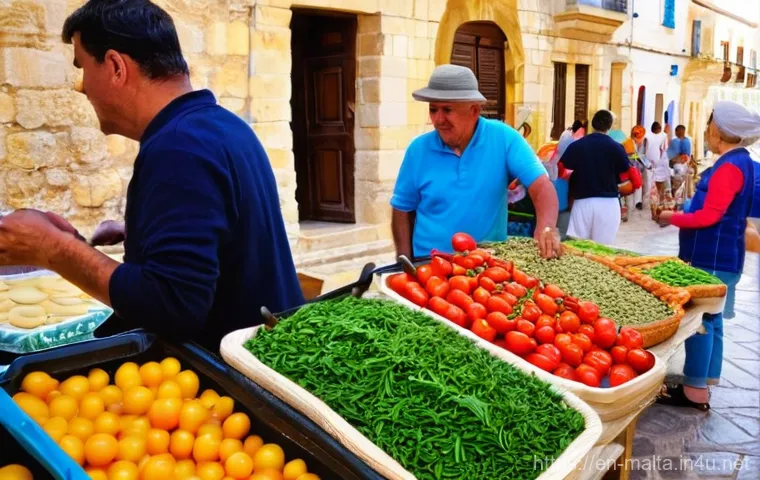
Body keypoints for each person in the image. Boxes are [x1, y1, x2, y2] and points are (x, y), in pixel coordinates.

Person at [0, 0, 303, 352]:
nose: (80, 88)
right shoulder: (221, 125)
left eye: (82, 67)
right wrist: (147, 234)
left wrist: (53, 250)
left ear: (115, 67)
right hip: (267, 353)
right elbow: (226, 236)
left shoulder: (179, 147)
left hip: (230, 385)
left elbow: (172, 307)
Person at [390, 64, 560, 260]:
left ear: (474, 110)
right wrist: (403, 262)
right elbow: (402, 208)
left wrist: (546, 226)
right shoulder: (417, 150)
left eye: (447, 110)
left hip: (487, 268)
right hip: (430, 268)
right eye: (433, 109)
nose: (438, 119)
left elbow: (541, 186)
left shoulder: (504, 138)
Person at [657, 100, 760, 410]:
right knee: (713, 321)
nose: (705, 131)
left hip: (712, 258)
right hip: (724, 256)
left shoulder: (730, 167)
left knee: (699, 323)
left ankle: (694, 390)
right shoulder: (742, 162)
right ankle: (703, 383)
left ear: (719, 131)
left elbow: (708, 217)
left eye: (709, 125)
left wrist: (669, 217)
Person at [560, 110, 630, 244]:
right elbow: (625, 171)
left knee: (579, 248)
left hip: (582, 202)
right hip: (608, 203)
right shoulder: (616, 147)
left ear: (592, 124)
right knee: (603, 249)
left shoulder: (577, 146)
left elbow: (563, 169)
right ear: (610, 126)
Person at [646, 121, 670, 208]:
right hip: (659, 161)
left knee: (650, 182)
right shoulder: (663, 136)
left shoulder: (647, 135)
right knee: (659, 182)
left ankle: (652, 200)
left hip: (649, 161)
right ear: (659, 129)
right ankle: (660, 200)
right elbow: (665, 147)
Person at [667, 124, 692, 203]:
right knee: (683, 184)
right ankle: (682, 200)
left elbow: (670, 155)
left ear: (676, 131)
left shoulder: (675, 141)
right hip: (684, 165)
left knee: (677, 184)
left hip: (677, 165)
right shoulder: (687, 140)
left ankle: (677, 200)